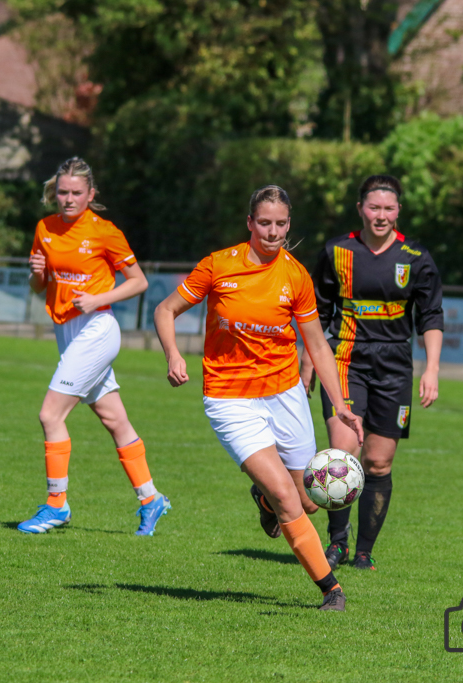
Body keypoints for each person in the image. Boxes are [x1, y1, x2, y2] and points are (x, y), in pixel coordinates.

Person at [153, 185, 364, 611]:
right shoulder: (219, 265)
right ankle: (331, 589)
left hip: (285, 394)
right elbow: (165, 309)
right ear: (250, 222)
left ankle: (263, 498)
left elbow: (316, 345)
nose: (272, 232)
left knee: (309, 500)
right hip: (229, 398)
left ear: (289, 225)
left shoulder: (295, 275)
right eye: (264, 223)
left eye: (280, 224)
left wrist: (340, 404)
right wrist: (173, 353)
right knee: (288, 498)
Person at [18, 157, 171, 535]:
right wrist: (37, 275)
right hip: (66, 332)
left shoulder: (105, 232)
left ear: (90, 194)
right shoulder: (45, 228)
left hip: (97, 329)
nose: (68, 199)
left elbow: (139, 281)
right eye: (62, 192)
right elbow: (39, 287)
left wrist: (99, 297)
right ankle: (151, 498)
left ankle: (57, 505)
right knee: (114, 419)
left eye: (76, 192)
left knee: (50, 415)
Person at [302, 174, 444, 572]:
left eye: (389, 208)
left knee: (379, 462)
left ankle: (364, 551)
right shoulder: (337, 251)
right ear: (360, 209)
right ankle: (337, 543)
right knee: (343, 451)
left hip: (395, 366)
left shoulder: (416, 257)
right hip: (345, 360)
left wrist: (432, 369)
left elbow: (431, 316)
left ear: (398, 211)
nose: (381, 215)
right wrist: (308, 362)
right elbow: (317, 312)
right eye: (374, 207)